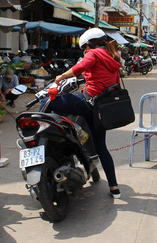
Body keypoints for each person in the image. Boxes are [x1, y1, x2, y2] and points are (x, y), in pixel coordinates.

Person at [49, 28, 123, 199]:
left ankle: (39, 133)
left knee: (51, 101)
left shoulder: (95, 53)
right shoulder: (112, 56)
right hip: (101, 109)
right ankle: (114, 187)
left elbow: (80, 67)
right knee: (101, 148)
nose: (85, 52)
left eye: (85, 48)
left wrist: (60, 76)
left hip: (88, 102)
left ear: (90, 44)